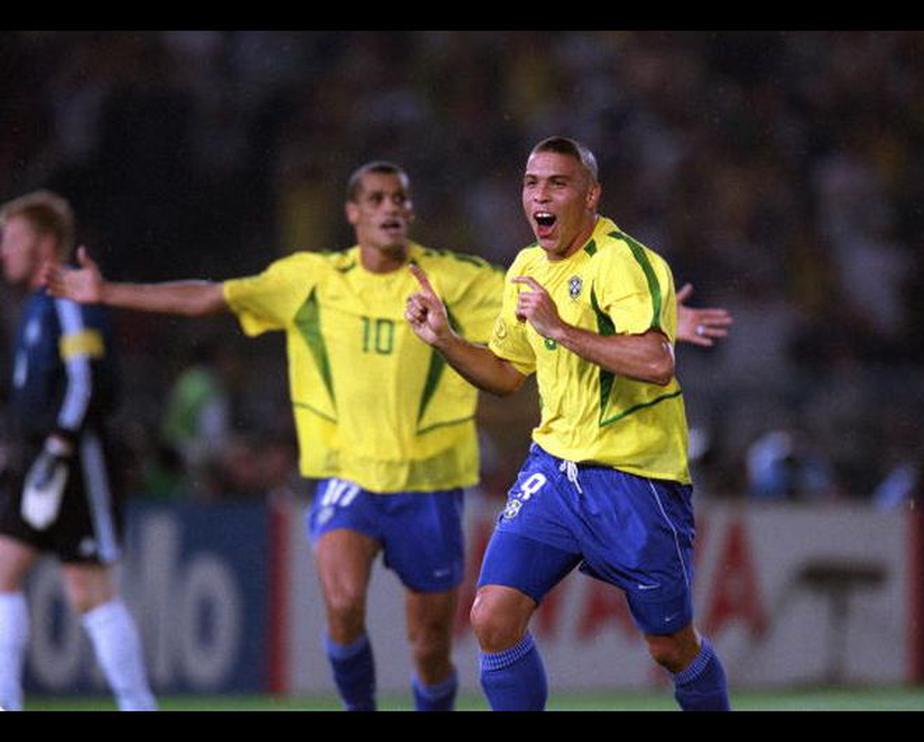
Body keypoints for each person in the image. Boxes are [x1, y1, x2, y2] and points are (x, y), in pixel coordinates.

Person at [47, 161, 731, 712]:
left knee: (659, 645)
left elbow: (595, 309)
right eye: (375, 197)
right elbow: (213, 295)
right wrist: (107, 294)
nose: (390, 208)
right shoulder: (315, 278)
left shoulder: (463, 275)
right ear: (353, 212)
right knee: (465, 614)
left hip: (459, 480)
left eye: (400, 196)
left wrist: (666, 311)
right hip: (413, 472)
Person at [405, 137, 730, 711]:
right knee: (492, 618)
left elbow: (657, 362)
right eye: (532, 183)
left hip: (636, 479)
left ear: (591, 195)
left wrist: (562, 331)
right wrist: (445, 340)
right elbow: (507, 373)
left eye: (558, 183)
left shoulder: (625, 262)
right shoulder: (527, 268)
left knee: (670, 646)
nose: (540, 196)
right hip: (554, 471)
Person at [0, 191, 156, 711]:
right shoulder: (34, 306)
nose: (4, 249)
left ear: (45, 243)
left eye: (13, 237)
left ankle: (139, 706)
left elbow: (85, 381)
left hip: (73, 461)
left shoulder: (65, 296)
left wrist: (59, 448)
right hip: (38, 461)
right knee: (2, 573)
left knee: (89, 592)